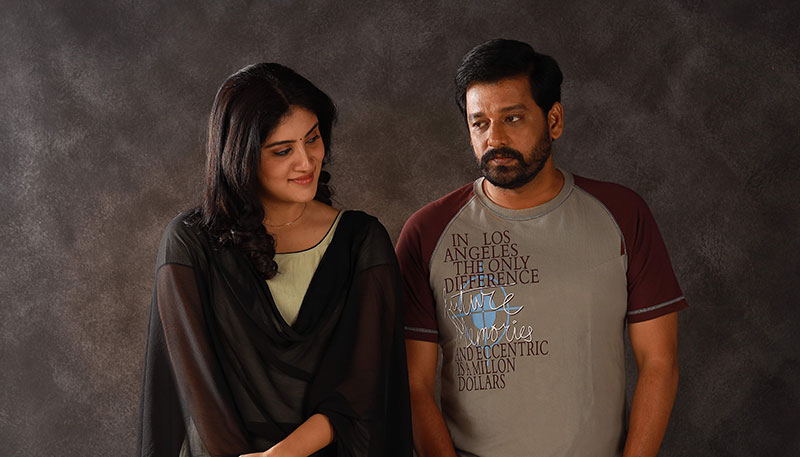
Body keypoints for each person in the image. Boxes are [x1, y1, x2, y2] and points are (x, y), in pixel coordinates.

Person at [397, 39, 687, 457]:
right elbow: (412, 385)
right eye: (479, 123)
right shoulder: (427, 232)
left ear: (554, 120)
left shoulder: (623, 214)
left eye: (512, 118)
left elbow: (660, 362)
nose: (495, 138)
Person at [137, 63, 411, 457]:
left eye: (313, 139)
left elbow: (363, 388)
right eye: (283, 150)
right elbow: (197, 389)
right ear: (241, 157)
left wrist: (280, 455)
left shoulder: (362, 241)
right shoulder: (189, 243)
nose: (307, 161)